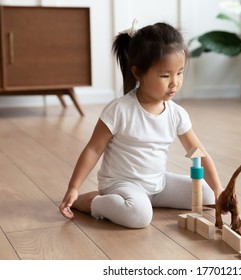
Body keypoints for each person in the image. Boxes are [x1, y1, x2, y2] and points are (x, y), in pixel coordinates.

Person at [59, 21, 223, 228]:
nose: (175, 82)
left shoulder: (176, 113)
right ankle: (92, 201)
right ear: (138, 73)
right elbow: (93, 149)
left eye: (180, 73)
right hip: (121, 185)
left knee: (207, 194)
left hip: (158, 184)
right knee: (139, 216)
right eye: (165, 75)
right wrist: (74, 187)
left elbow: (198, 151)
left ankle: (142, 202)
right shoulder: (119, 109)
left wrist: (219, 189)